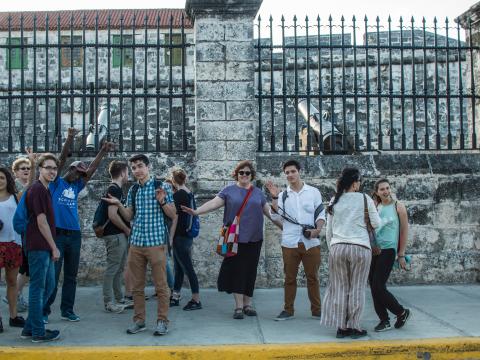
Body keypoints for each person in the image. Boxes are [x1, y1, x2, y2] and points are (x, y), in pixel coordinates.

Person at [182, 160, 272, 319]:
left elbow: (270, 214)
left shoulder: (258, 192)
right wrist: (196, 212)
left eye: (247, 173)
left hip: (254, 238)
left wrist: (285, 226)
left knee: (250, 272)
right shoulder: (228, 190)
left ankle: (247, 304)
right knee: (238, 272)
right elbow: (213, 203)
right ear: (236, 174)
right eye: (241, 172)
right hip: (234, 238)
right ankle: (238, 307)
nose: (244, 175)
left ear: (252, 175)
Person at [43, 128, 114, 323]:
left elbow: (91, 170)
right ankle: (44, 311)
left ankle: (67, 310)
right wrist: (70, 138)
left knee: (71, 277)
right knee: (53, 276)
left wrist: (103, 151)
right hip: (57, 234)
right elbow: (61, 160)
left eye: (81, 173)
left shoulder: (77, 186)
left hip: (74, 235)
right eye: (77, 171)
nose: (79, 175)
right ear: (70, 169)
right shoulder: (56, 183)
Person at [102, 154, 177, 336]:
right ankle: (139, 321)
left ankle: (162, 321)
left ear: (148, 166)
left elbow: (173, 214)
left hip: (156, 243)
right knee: (137, 286)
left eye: (140, 166)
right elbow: (129, 216)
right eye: (134, 167)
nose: (137, 170)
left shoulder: (162, 186)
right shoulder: (134, 190)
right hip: (136, 243)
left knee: (161, 286)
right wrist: (119, 203)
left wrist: (163, 201)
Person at [320, 167, 380, 339]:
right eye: (359, 182)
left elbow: (328, 230)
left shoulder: (334, 200)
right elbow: (376, 223)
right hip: (360, 247)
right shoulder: (364, 198)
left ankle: (341, 327)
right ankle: (354, 326)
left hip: (338, 247)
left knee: (339, 287)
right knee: (357, 287)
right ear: (355, 183)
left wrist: (333, 248)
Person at [266, 159, 325, 321]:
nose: (290, 175)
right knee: (289, 278)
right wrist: (274, 197)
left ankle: (317, 310)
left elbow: (320, 214)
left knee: (313, 277)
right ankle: (288, 310)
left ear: (299, 171)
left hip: (311, 242)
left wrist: (317, 230)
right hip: (290, 242)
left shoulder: (313, 192)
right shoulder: (283, 195)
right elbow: (276, 216)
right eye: (287, 173)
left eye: (293, 171)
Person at [22, 153, 61, 343]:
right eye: (48, 168)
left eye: (54, 168)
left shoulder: (45, 189)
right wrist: (54, 247)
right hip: (38, 246)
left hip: (43, 246)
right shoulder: (37, 189)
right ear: (40, 169)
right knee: (38, 288)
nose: (52, 171)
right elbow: (41, 221)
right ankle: (38, 332)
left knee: (50, 285)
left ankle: (30, 327)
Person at [369, 178, 411, 332]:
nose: (386, 192)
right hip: (374, 250)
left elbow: (404, 230)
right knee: (374, 287)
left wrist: (401, 253)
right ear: (377, 192)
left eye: (387, 188)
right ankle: (384, 320)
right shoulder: (375, 206)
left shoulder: (398, 206)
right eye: (382, 189)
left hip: (388, 250)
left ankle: (401, 312)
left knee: (378, 285)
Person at [3, 150, 37, 313]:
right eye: (22, 168)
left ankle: (15, 305)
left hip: (19, 237)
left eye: (28, 168)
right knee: (24, 268)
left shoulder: (20, 192)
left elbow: (31, 185)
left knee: (22, 270)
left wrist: (33, 164)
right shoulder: (15, 189)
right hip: (9, 239)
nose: (26, 170)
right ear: (15, 172)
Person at [101, 161, 131, 313]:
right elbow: (112, 215)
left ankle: (119, 299)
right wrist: (127, 229)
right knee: (113, 268)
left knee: (119, 268)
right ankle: (109, 302)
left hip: (117, 235)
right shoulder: (114, 189)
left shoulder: (115, 189)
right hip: (115, 235)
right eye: (128, 171)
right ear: (122, 173)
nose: (129, 175)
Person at [169, 169, 201, 311]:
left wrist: (170, 238)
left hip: (179, 236)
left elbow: (173, 216)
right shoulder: (188, 193)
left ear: (173, 180)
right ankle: (175, 296)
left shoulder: (178, 195)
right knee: (179, 268)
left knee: (187, 268)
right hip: (187, 236)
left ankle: (196, 299)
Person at [0, 168, 26, 332]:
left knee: (11, 282)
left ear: (7, 179)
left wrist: (31, 162)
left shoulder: (15, 198)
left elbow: (29, 186)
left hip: (14, 244)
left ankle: (13, 316)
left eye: (2, 177)